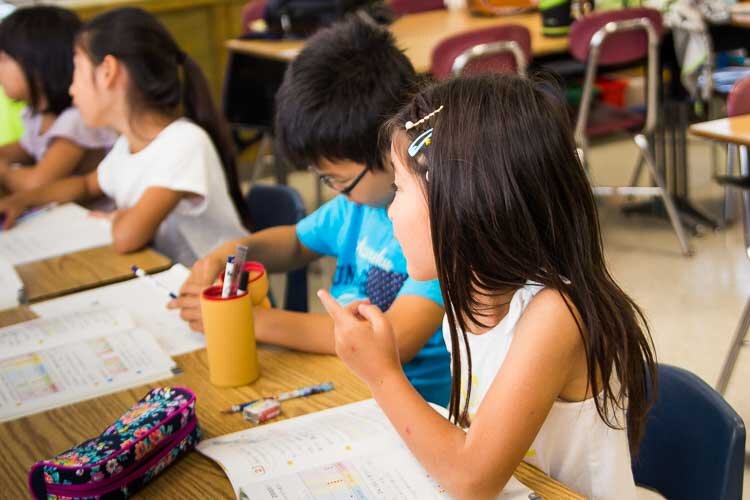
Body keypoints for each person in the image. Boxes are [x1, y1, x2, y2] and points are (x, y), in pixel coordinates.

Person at [319, 74, 657, 499]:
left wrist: (381, 373)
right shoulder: (466, 294)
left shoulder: (556, 315)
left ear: (462, 204)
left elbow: (471, 478)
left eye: (399, 190)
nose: (390, 214)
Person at [169, 16, 451, 406]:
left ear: (393, 149)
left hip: (410, 406)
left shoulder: (434, 232)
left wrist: (248, 322)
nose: (335, 191)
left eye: (337, 179)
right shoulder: (357, 206)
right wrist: (230, 254)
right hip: (343, 385)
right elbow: (295, 243)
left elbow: (393, 342)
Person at [0, 8, 248, 265]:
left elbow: (127, 237)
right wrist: (22, 200)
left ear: (108, 71)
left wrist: (118, 217)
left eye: (77, 70)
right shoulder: (128, 145)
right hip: (172, 280)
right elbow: (85, 185)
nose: (71, 89)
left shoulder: (184, 143)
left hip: (226, 294)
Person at [0, 6, 116, 193]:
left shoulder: (76, 121)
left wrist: (4, 173)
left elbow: (37, 184)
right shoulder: (36, 115)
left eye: (3, 59)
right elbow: (26, 147)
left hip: (92, 218)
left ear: (37, 65)